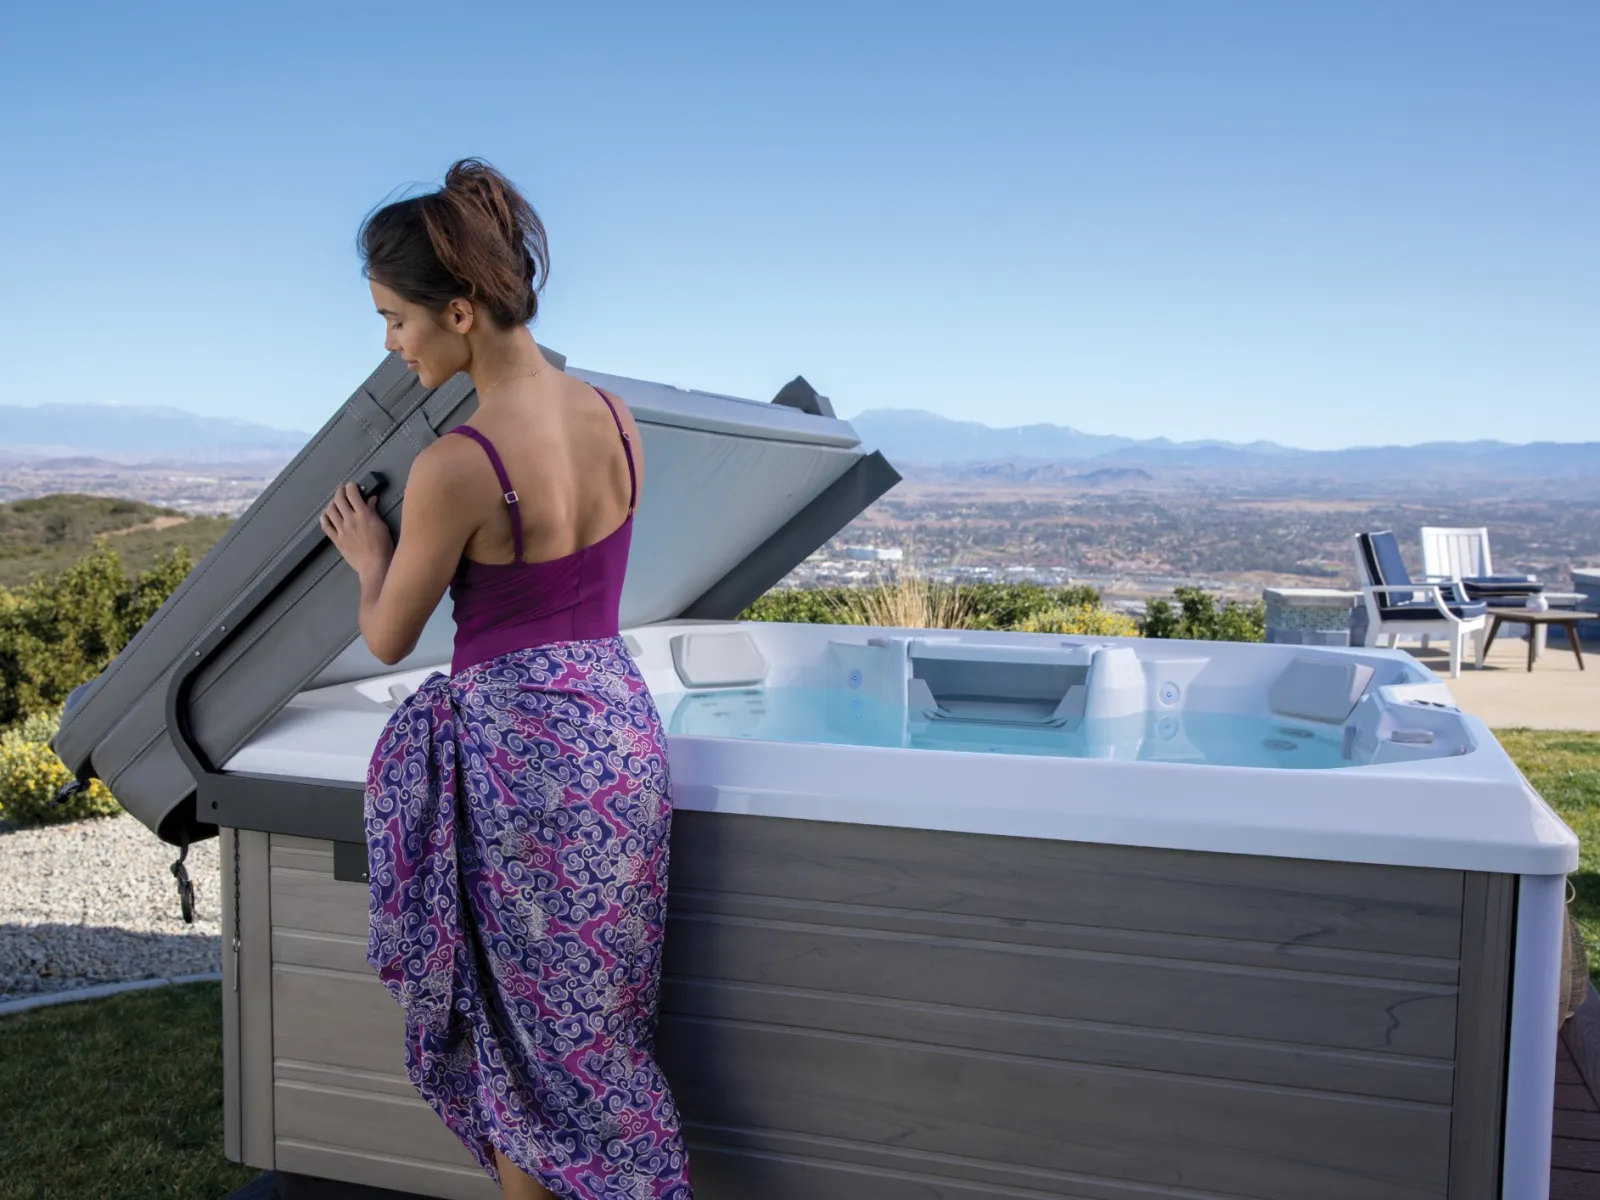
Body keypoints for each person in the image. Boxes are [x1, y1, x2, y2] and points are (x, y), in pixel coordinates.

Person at [320, 158, 693, 1200]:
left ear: (463, 309)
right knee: (600, 1031)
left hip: (522, 765)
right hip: (617, 738)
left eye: (395, 319)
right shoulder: (614, 418)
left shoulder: (457, 464)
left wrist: (368, 559)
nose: (391, 344)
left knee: (518, 1043)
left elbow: (391, 637)